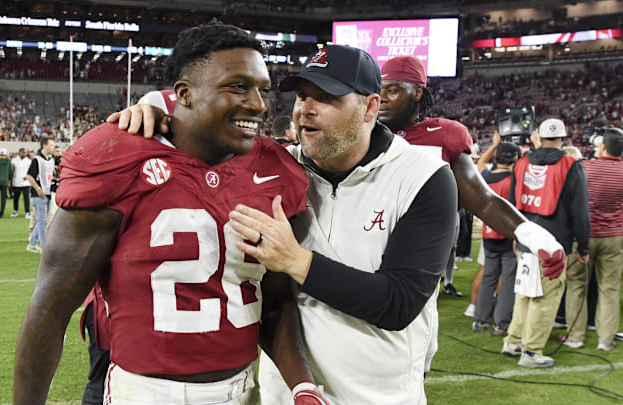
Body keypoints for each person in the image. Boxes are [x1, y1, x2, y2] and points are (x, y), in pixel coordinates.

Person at [111, 44, 458, 404]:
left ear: (370, 108)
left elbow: (399, 303)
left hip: (379, 396)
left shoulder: (423, 177)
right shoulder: (276, 168)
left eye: (326, 97)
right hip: (286, 394)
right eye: (302, 96)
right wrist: (155, 107)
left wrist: (296, 261)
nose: (304, 109)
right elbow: (202, 130)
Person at [14, 22, 327, 405]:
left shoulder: (276, 170)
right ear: (184, 94)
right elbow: (50, 307)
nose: (259, 104)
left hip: (243, 389)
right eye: (237, 86)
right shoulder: (117, 157)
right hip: (145, 392)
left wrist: (303, 386)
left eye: (263, 89)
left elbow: (276, 302)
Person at [374, 56, 566, 298]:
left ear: (417, 93)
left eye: (393, 90)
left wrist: (534, 236)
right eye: (378, 90)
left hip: (414, 266)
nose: (381, 98)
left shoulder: (444, 135)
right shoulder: (362, 132)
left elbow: (483, 200)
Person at [504, 118, 590, 368]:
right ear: (563, 138)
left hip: (525, 238)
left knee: (524, 292)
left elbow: (510, 205)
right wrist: (583, 247)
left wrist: (514, 236)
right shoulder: (571, 164)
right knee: (546, 297)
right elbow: (580, 211)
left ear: (538, 137)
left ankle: (513, 341)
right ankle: (531, 352)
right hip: (553, 244)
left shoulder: (520, 162)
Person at [564, 126, 623, 351]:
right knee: (610, 288)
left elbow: (572, 203)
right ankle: (605, 340)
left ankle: (575, 337)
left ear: (602, 146)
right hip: (614, 237)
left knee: (576, 285)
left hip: (583, 236)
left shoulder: (585, 167)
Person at [472, 134, 520, 336]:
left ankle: (479, 320)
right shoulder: (514, 180)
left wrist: (494, 145)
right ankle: (502, 324)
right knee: (508, 281)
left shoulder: (486, 177)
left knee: (488, 279)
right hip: (509, 236)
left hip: (489, 234)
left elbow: (481, 162)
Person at [24, 136, 55, 253]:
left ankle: (32, 244)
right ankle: (44, 247)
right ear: (44, 145)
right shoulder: (37, 160)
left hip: (47, 193)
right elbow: (29, 176)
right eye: (51, 145)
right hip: (39, 195)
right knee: (43, 221)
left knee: (43, 221)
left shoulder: (50, 160)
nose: (53, 147)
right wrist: (37, 189)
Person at [10, 148, 32, 219]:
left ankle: (27, 212)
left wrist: (28, 176)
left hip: (26, 183)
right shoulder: (14, 161)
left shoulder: (29, 161)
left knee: (26, 198)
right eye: (23, 152)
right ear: (19, 153)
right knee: (16, 198)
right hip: (16, 182)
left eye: (25, 152)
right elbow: (11, 171)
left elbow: (31, 170)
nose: (24, 153)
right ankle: (15, 211)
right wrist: (10, 181)